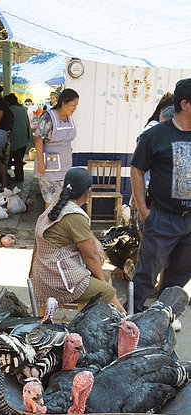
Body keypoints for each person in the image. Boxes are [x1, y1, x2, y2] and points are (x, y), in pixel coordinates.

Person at [130, 78, 191, 314]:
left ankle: (160, 318)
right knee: (146, 275)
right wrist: (144, 211)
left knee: (178, 276)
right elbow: (137, 168)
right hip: (162, 217)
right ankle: (130, 320)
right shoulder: (156, 135)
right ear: (185, 104)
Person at [31, 167, 125, 312]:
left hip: (44, 274)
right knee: (107, 290)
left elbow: (85, 235)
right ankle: (125, 320)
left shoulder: (58, 204)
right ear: (88, 192)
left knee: (106, 279)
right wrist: (103, 286)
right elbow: (91, 257)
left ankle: (108, 316)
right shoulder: (74, 216)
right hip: (57, 282)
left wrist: (97, 243)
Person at [33, 88, 79, 210]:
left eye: (76, 105)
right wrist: (41, 163)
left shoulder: (69, 118)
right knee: (50, 200)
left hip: (65, 166)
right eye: (73, 105)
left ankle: (59, 227)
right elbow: (38, 139)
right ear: (64, 103)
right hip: (49, 167)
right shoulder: (49, 116)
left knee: (63, 200)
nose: (74, 108)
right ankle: (46, 227)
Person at [4, 93, 32, 182]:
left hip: (16, 137)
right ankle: (19, 176)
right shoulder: (22, 108)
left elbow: (9, 124)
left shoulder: (10, 109)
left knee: (17, 160)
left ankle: (19, 177)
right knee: (19, 159)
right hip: (25, 137)